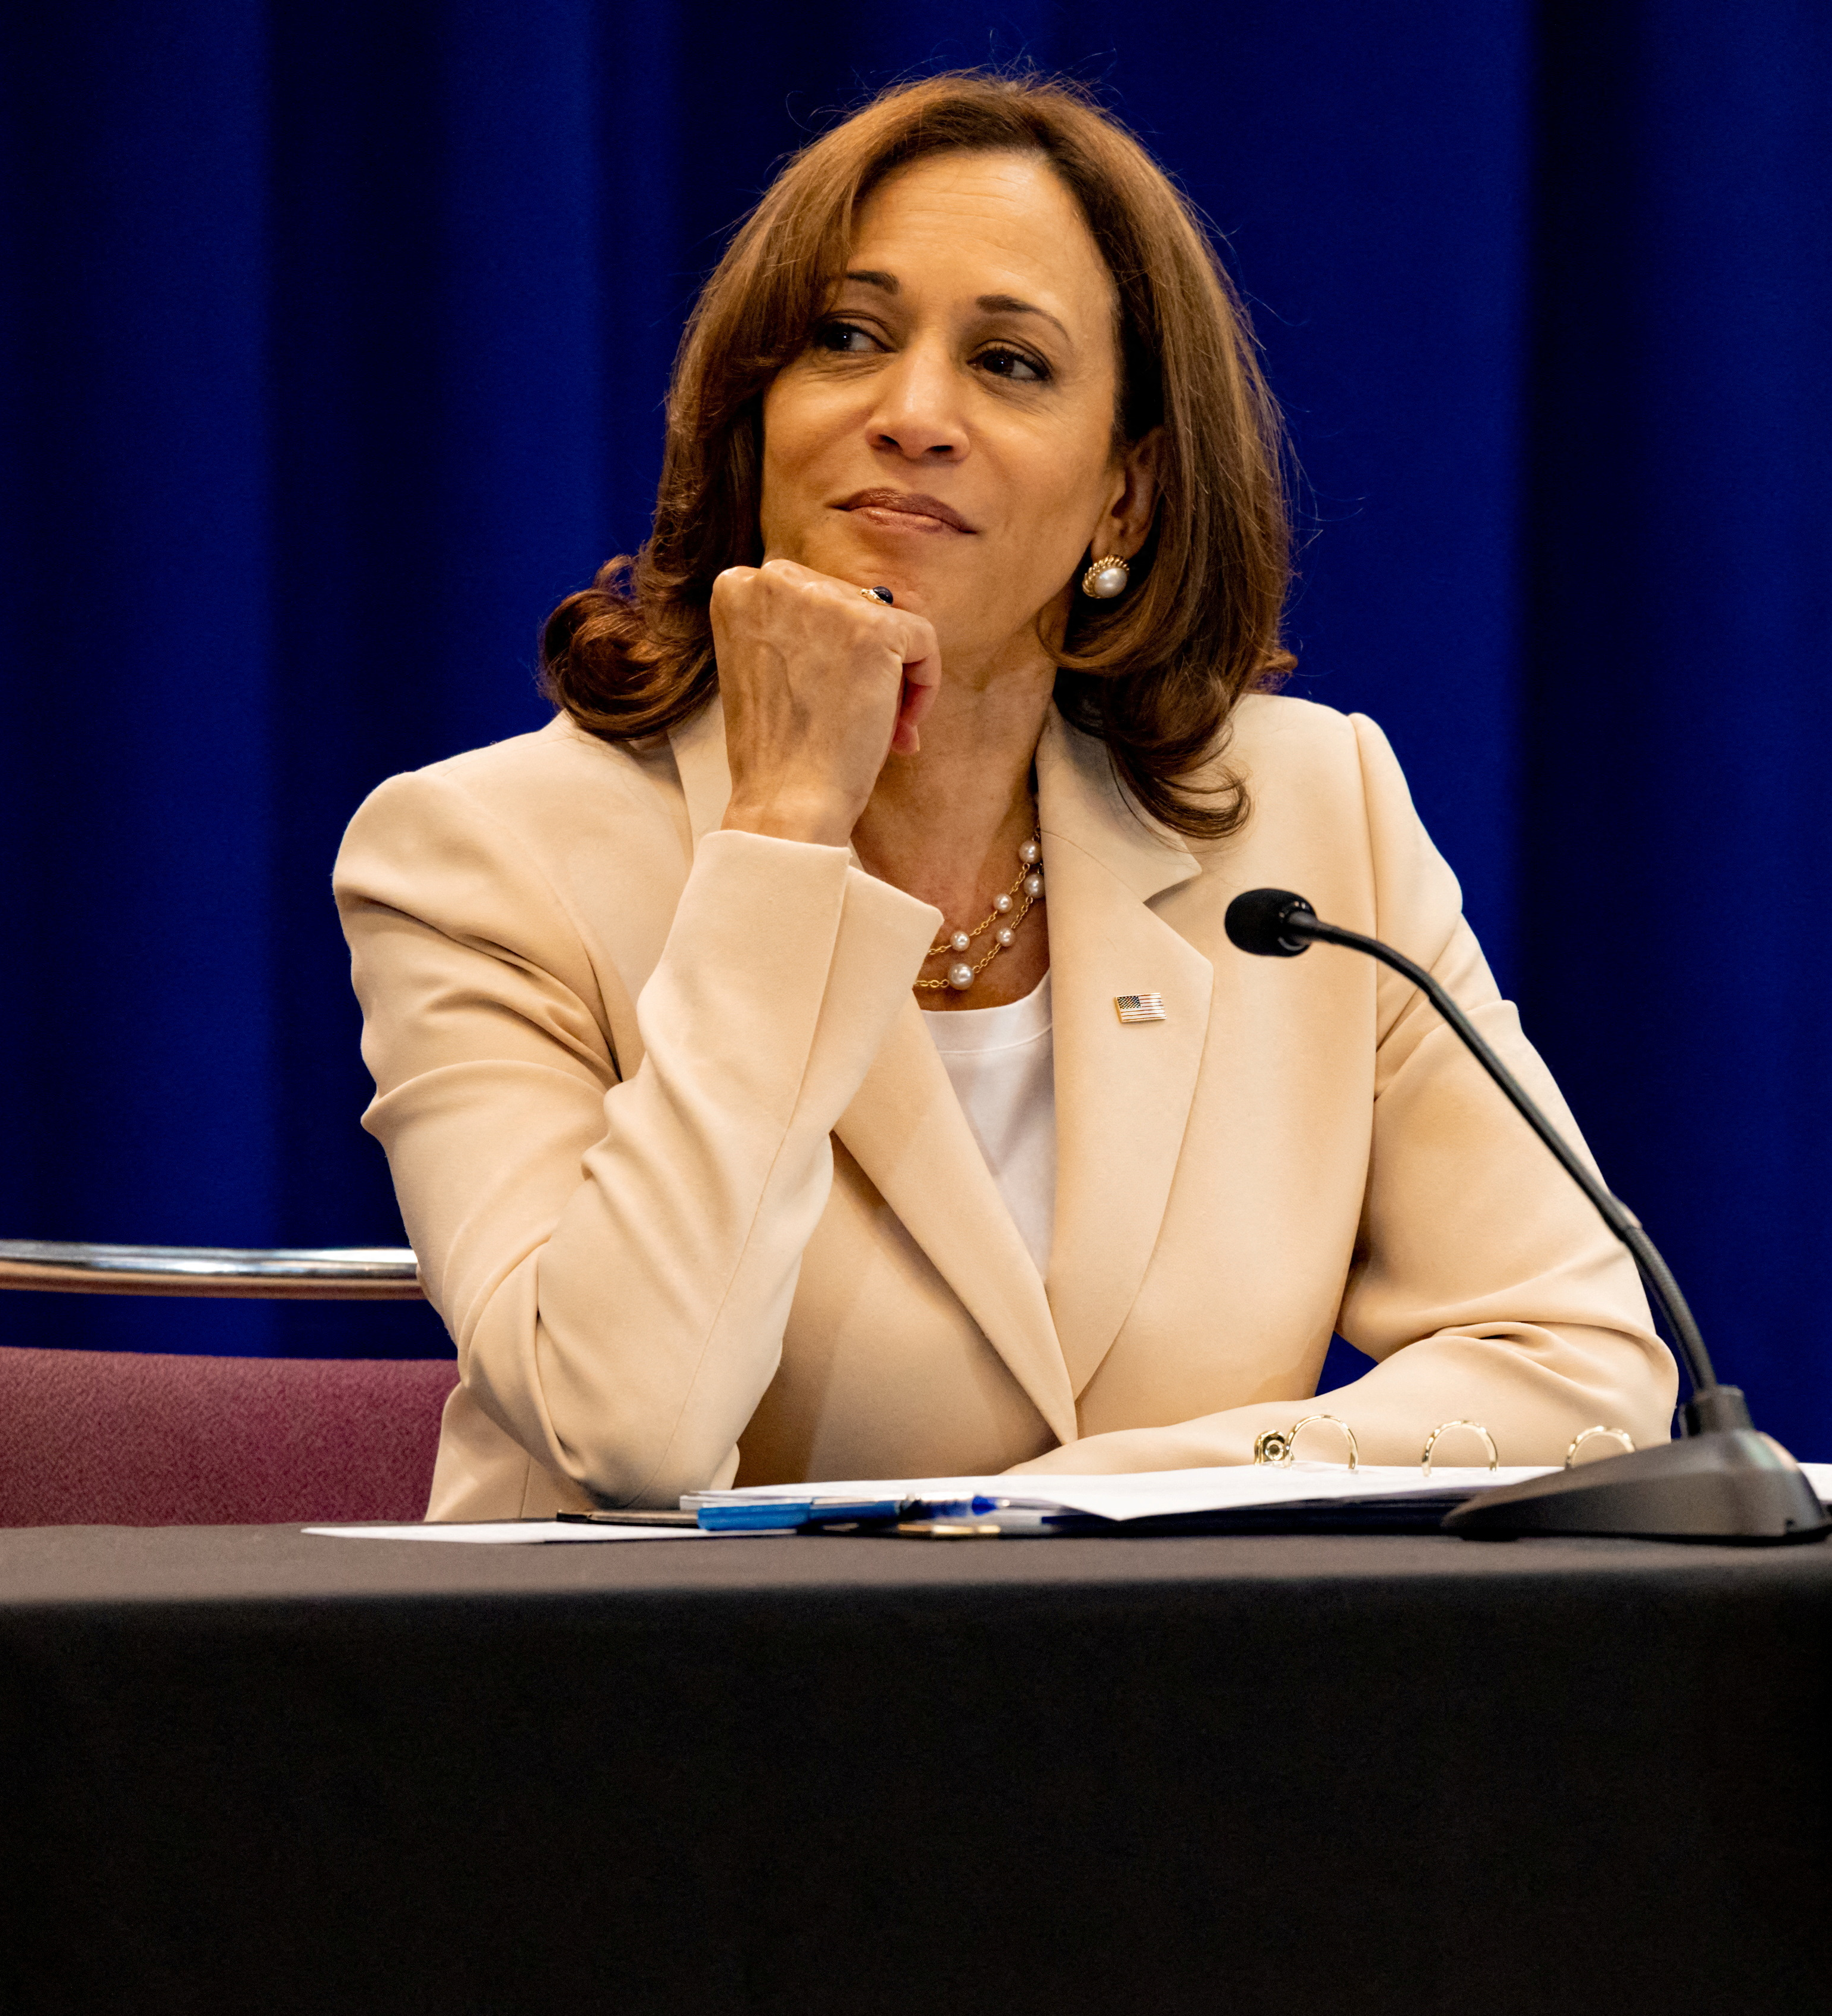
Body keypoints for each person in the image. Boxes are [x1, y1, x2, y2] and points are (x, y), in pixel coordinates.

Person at [334, 73, 1670, 1518]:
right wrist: (782, 831)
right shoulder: (481, 859)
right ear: (754, 418)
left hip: (1189, 1714)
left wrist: (1091, 1504)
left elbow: (1584, 1374)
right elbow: (630, 1430)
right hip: (682, 1718)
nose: (914, 414)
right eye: (847, 338)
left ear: (1127, 497)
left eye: (1011, 364)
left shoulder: (1309, 812)